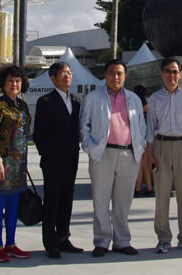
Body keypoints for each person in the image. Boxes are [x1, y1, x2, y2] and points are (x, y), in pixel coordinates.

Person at [80, 59, 146, 258]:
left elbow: (141, 127)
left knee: (123, 201)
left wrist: (140, 149)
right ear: (105, 75)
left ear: (125, 76)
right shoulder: (93, 97)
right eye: (111, 72)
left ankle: (122, 241)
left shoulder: (134, 98)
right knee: (100, 199)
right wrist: (91, 148)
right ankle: (101, 241)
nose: (115, 77)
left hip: (128, 154)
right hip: (103, 154)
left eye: (119, 73)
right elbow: (84, 126)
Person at [145, 57, 182, 254]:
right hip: (160, 147)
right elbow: (150, 129)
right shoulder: (154, 99)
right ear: (162, 74)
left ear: (180, 74)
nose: (171, 75)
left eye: (175, 71)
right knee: (162, 195)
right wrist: (149, 154)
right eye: (168, 71)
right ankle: (163, 237)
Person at [33, 62, 84, 259]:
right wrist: (48, 154)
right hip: (53, 161)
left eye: (69, 73)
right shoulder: (45, 101)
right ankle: (50, 242)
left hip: (72, 159)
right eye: (63, 73)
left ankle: (64, 237)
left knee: (66, 200)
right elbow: (39, 134)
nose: (67, 76)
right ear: (53, 78)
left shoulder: (76, 101)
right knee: (52, 201)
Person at [0, 65, 32, 263]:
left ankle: (11, 244)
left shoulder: (23, 105)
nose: (15, 84)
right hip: (3, 161)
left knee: (13, 205)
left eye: (18, 80)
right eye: (11, 80)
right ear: (3, 84)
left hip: (19, 163)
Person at [133, 84, 154, 198]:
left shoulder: (135, 104)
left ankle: (138, 188)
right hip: (149, 136)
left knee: (140, 165)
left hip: (139, 136)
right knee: (146, 165)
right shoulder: (149, 103)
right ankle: (150, 188)